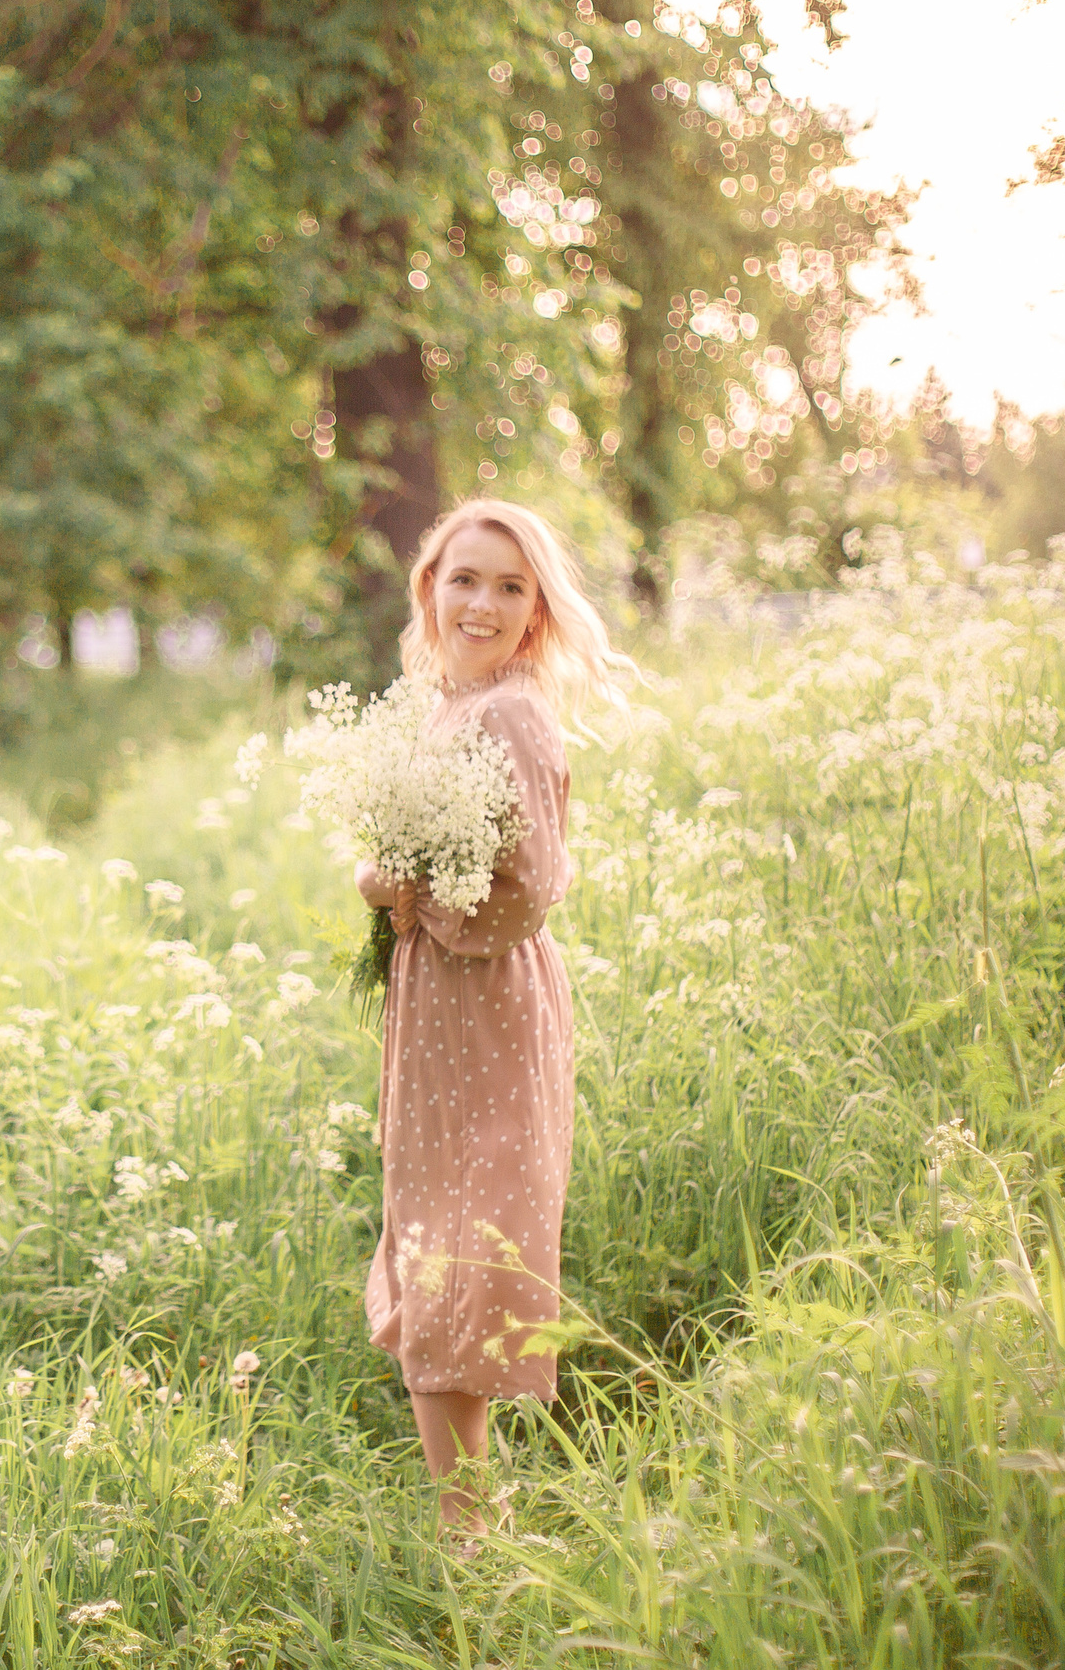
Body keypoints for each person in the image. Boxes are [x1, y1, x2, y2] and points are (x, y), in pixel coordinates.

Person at [351, 498, 635, 1537]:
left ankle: (467, 1533)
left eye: (510, 587)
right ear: (429, 586)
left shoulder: (508, 713)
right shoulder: (446, 705)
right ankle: (470, 1520)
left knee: (457, 1248)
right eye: (465, 578)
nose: (482, 602)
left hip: (485, 996)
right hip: (442, 1001)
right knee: (438, 1239)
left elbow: (527, 890)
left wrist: (396, 893)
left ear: (536, 612)